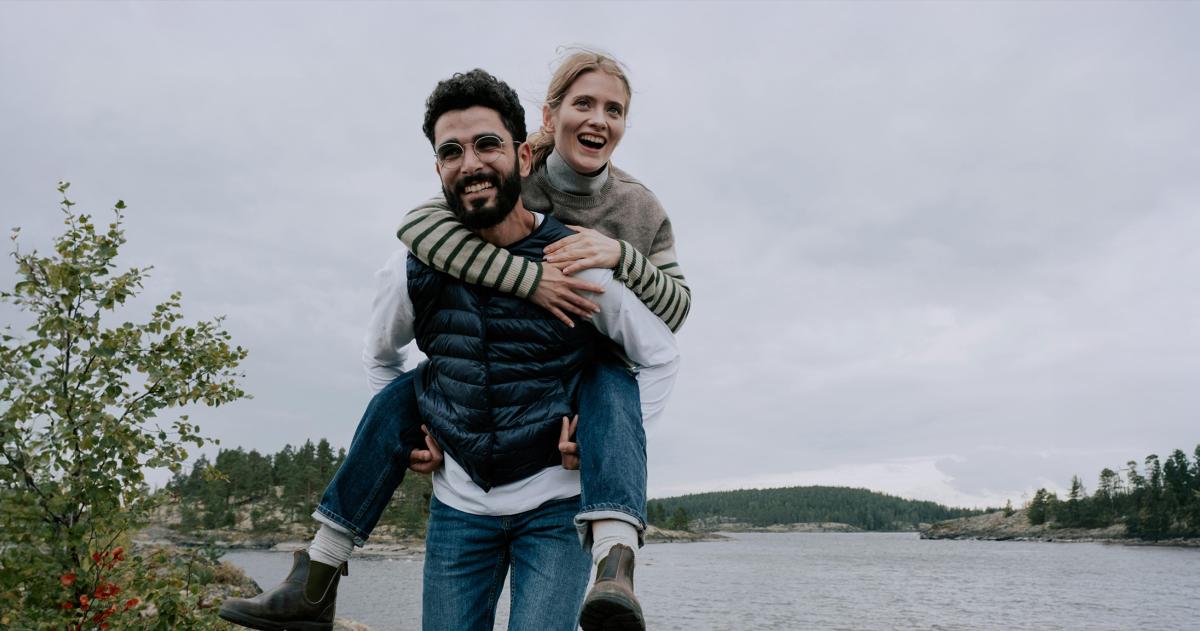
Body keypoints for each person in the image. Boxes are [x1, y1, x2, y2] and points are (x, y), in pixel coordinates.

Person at [219, 68, 679, 631]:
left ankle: (617, 553)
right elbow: (381, 359)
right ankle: (315, 580)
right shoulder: (412, 265)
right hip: (461, 507)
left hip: (556, 505)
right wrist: (421, 433)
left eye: (488, 144)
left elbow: (660, 354)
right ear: (438, 169)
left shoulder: (577, 260)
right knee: (412, 384)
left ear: (524, 157)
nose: (471, 163)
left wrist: (603, 446)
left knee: (609, 371)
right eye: (452, 151)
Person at [398, 50, 689, 630]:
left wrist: (621, 255)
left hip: (587, 387)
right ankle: (321, 567)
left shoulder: (640, 206)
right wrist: (528, 279)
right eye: (583, 103)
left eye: (615, 110)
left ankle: (617, 557)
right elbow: (419, 229)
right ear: (548, 117)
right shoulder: (511, 169)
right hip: (498, 405)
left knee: (610, 379)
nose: (599, 120)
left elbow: (676, 312)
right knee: (402, 393)